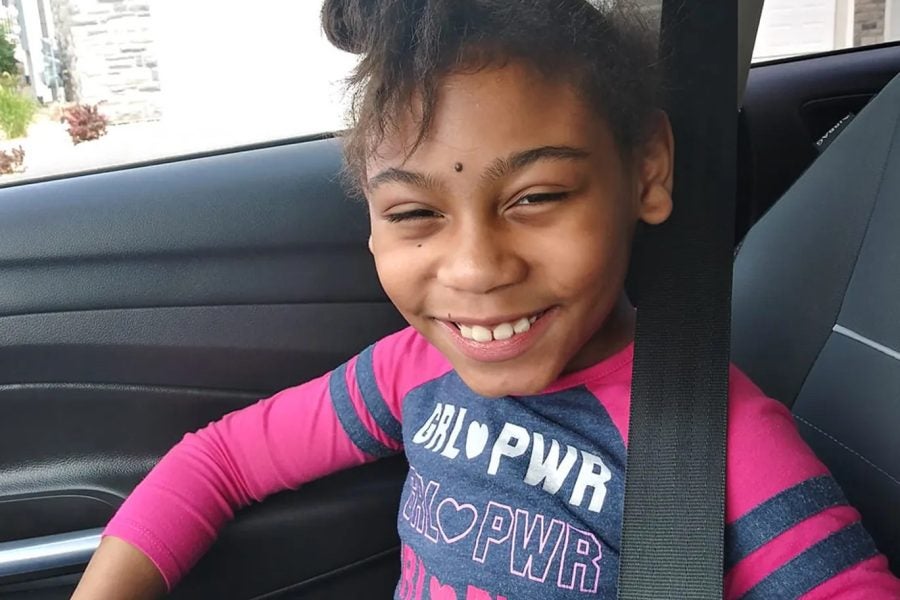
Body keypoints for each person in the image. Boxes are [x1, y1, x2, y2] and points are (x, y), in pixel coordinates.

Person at [72, 1, 900, 598]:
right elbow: (218, 463)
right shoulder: (408, 371)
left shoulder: (717, 441)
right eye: (414, 213)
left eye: (537, 197)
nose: (474, 269)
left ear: (648, 169)